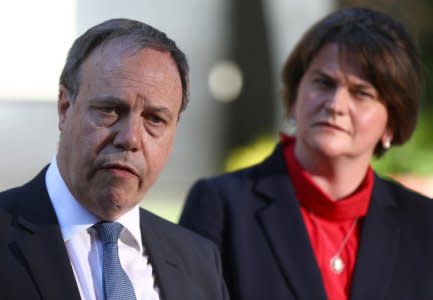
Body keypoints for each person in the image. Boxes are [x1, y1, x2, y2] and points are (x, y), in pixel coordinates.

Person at [180, 7, 433, 300]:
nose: (336, 104)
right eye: (324, 83)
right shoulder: (220, 208)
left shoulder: (423, 225)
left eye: (361, 93)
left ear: (392, 123)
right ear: (293, 98)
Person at [0, 18, 228, 300]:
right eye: (110, 110)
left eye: (155, 119)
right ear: (64, 109)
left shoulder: (199, 262)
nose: (130, 138)